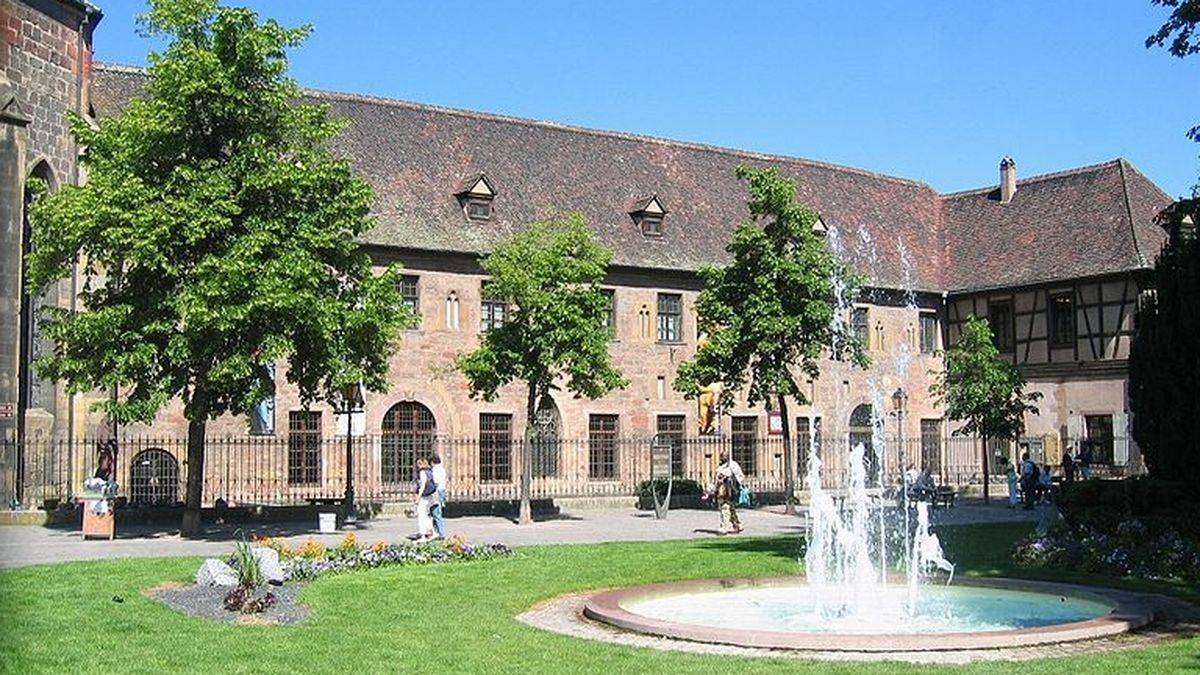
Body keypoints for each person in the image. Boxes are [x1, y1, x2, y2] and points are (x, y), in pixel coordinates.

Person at [706, 450, 744, 535]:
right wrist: (709, 491)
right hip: (720, 490)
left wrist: (729, 479)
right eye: (721, 456)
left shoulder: (733, 465)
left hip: (729, 490)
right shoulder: (720, 466)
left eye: (723, 456)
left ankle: (724, 527)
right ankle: (737, 524)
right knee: (730, 508)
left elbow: (740, 477)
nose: (722, 458)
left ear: (727, 457)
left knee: (725, 508)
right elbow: (715, 480)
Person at [414, 457, 436, 541]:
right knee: (426, 514)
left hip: (424, 496)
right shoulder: (430, 471)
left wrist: (418, 497)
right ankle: (432, 532)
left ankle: (423, 534)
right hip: (429, 495)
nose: (417, 466)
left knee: (421, 515)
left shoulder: (423, 472)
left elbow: (422, 486)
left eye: (418, 464)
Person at [430, 454, 448, 540]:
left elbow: (436, 483)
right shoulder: (442, 469)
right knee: (436, 513)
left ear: (432, 462)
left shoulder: (435, 470)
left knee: (436, 513)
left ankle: (441, 533)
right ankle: (435, 532)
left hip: (436, 492)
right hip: (442, 490)